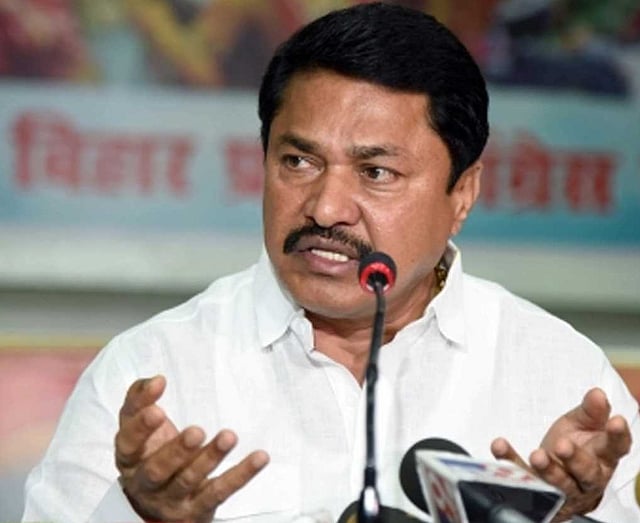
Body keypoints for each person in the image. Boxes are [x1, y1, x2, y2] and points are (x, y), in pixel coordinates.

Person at [21, 3, 640, 522]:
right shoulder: (154, 373)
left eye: (376, 173)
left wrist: (564, 516)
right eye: (298, 162)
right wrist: (142, 516)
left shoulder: (558, 375)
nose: (325, 208)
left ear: (463, 194)